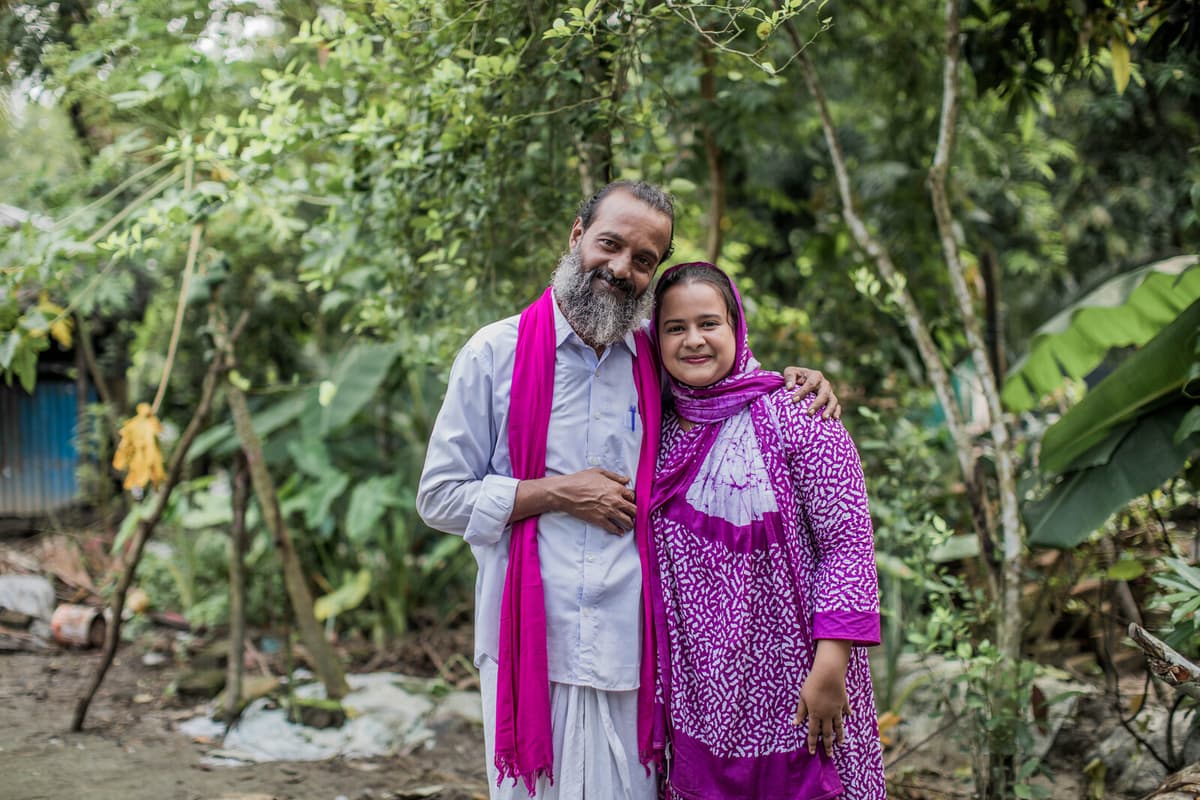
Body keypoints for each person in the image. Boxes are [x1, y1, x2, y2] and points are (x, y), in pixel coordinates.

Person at [416, 181, 840, 800]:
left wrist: (794, 381)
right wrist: (558, 492)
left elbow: (722, 379)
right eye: (610, 245)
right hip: (528, 637)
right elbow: (440, 496)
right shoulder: (495, 354)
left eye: (643, 260)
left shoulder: (651, 357)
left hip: (631, 643)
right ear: (577, 235)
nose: (620, 269)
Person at [648, 261, 886, 800]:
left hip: (798, 679)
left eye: (708, 323)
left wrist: (831, 666)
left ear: (736, 326)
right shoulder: (651, 427)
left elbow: (846, 544)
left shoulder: (796, 412)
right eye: (675, 328)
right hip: (698, 693)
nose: (693, 341)